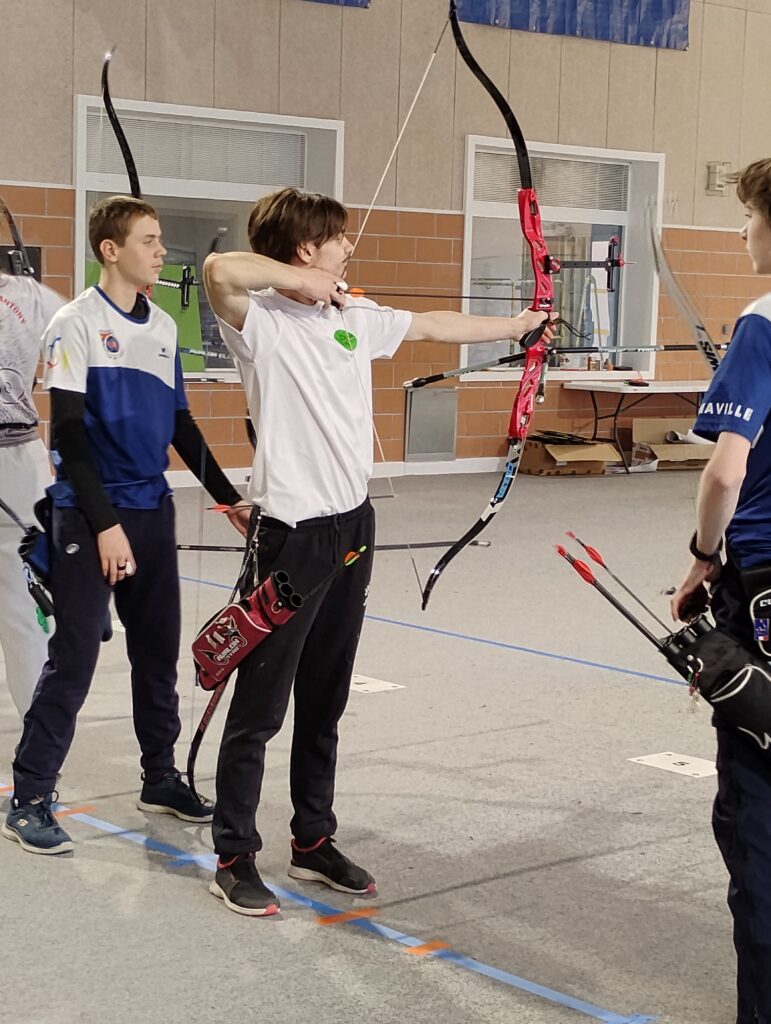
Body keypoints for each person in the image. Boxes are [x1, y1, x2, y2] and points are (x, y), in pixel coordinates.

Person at [202, 185, 556, 916]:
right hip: (291, 536)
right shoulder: (258, 319)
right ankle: (233, 853)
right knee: (261, 705)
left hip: (350, 527)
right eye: (337, 240)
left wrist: (517, 323)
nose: (348, 248)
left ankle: (311, 840)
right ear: (305, 249)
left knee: (325, 696)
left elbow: (429, 322)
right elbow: (219, 272)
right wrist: (297, 282)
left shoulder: (351, 315)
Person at [4, 195, 251, 856]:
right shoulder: (73, 323)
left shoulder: (165, 326)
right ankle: (29, 795)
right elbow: (70, 440)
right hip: (89, 515)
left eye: (161, 239)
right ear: (110, 250)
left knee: (155, 652)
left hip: (151, 511)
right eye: (148, 240)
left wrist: (230, 499)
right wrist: (105, 524)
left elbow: (180, 425)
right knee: (76, 657)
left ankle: (160, 778)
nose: (160, 251)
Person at [672, 158, 771, 1024]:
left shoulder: (763, 318)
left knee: (758, 799)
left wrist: (703, 552)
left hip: (765, 580)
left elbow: (725, 468)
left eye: (748, 218)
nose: (743, 233)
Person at [0, 267, 62, 718]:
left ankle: (39, 744)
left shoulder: (29, 295)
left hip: (19, 458)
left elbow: (87, 335)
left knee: (26, 609)